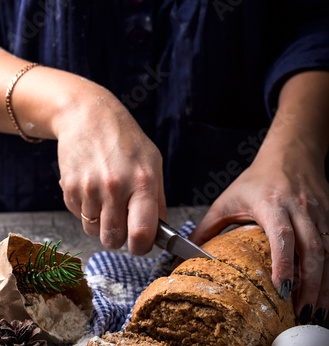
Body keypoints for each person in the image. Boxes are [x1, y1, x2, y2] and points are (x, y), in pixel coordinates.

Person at [0, 1, 329, 326]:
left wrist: (298, 144)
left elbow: (314, 23)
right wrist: (70, 107)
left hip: (258, 193)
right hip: (34, 211)